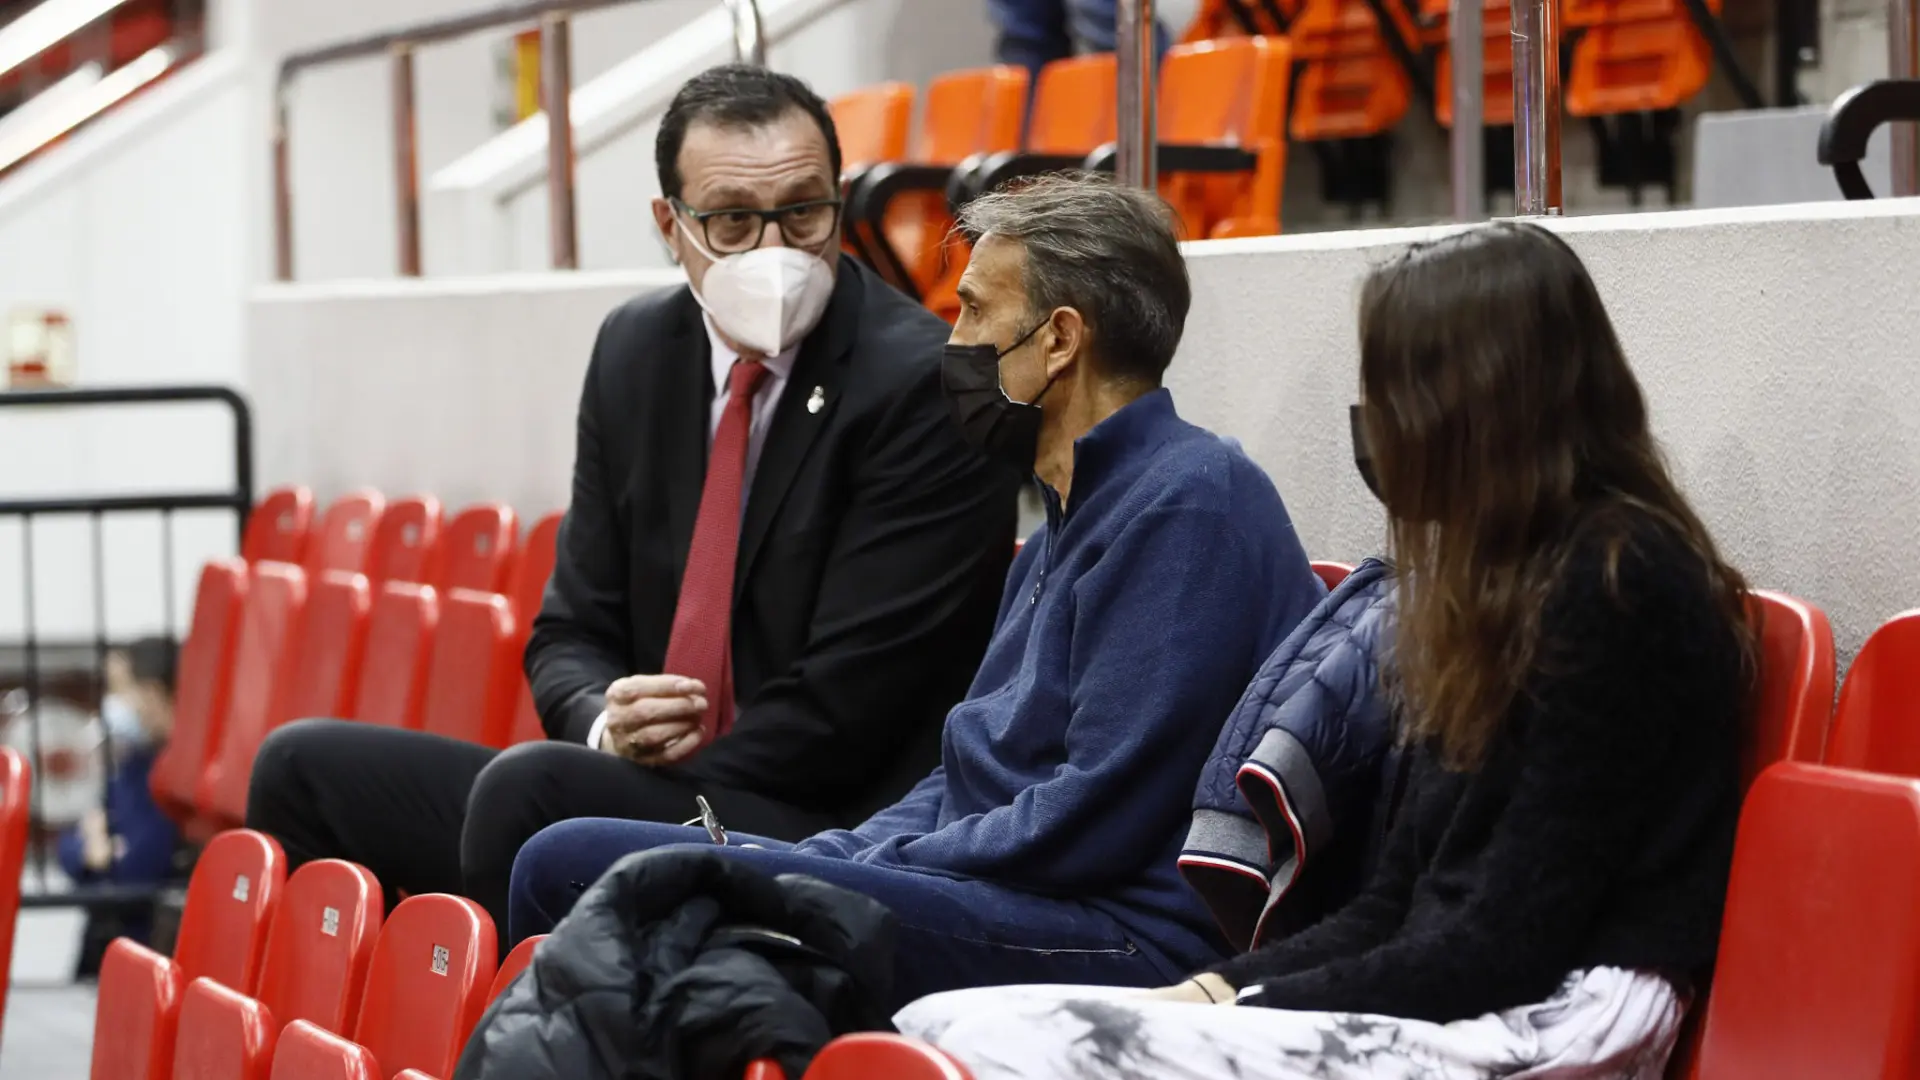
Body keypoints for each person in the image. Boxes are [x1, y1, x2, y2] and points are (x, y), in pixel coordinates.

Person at [895, 221, 1755, 1080]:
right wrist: (1211, 994)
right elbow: (1394, 905)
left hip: (1561, 1011)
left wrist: (1246, 1008)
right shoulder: (1484, 589)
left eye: (1393, 389)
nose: (1374, 422)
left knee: (1006, 1046)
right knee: (947, 1020)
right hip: (1447, 983)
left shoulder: (1619, 584)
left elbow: (1506, 944)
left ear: (1483, 400)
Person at [502, 174, 1325, 1005]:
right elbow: (961, 771)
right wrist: (832, 856)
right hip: (1007, 893)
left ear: (1060, 339)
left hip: (1120, 934)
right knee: (576, 854)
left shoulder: (1191, 500)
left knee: (572, 867)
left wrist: (860, 868)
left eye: (973, 310)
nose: (953, 339)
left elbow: (1093, 816)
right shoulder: (1062, 526)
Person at [246, 64, 1021, 940]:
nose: (776, 250)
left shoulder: (923, 382)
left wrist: (635, 785)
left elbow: (847, 712)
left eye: (804, 212)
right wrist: (606, 730)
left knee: (531, 796)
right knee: (302, 768)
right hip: (648, 782)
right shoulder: (635, 351)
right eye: (731, 220)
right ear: (670, 225)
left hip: (830, 816)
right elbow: (570, 630)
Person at [61, 638, 181, 976]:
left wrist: (97, 847)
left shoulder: (169, 779)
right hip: (100, 947)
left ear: (153, 693)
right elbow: (66, 847)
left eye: (119, 689)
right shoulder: (131, 766)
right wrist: (94, 852)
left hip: (142, 953)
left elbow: (135, 873)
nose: (111, 704)